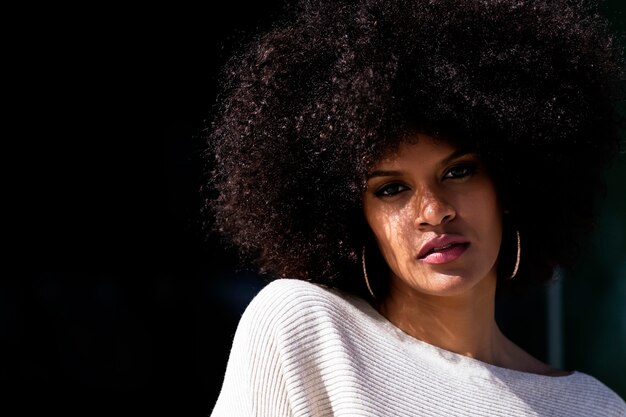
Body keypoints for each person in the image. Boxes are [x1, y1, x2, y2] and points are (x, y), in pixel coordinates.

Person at [203, 0, 626, 415]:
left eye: (459, 172)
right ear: (356, 218)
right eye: (391, 189)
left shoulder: (597, 407)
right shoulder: (306, 329)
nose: (433, 210)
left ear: (511, 183)